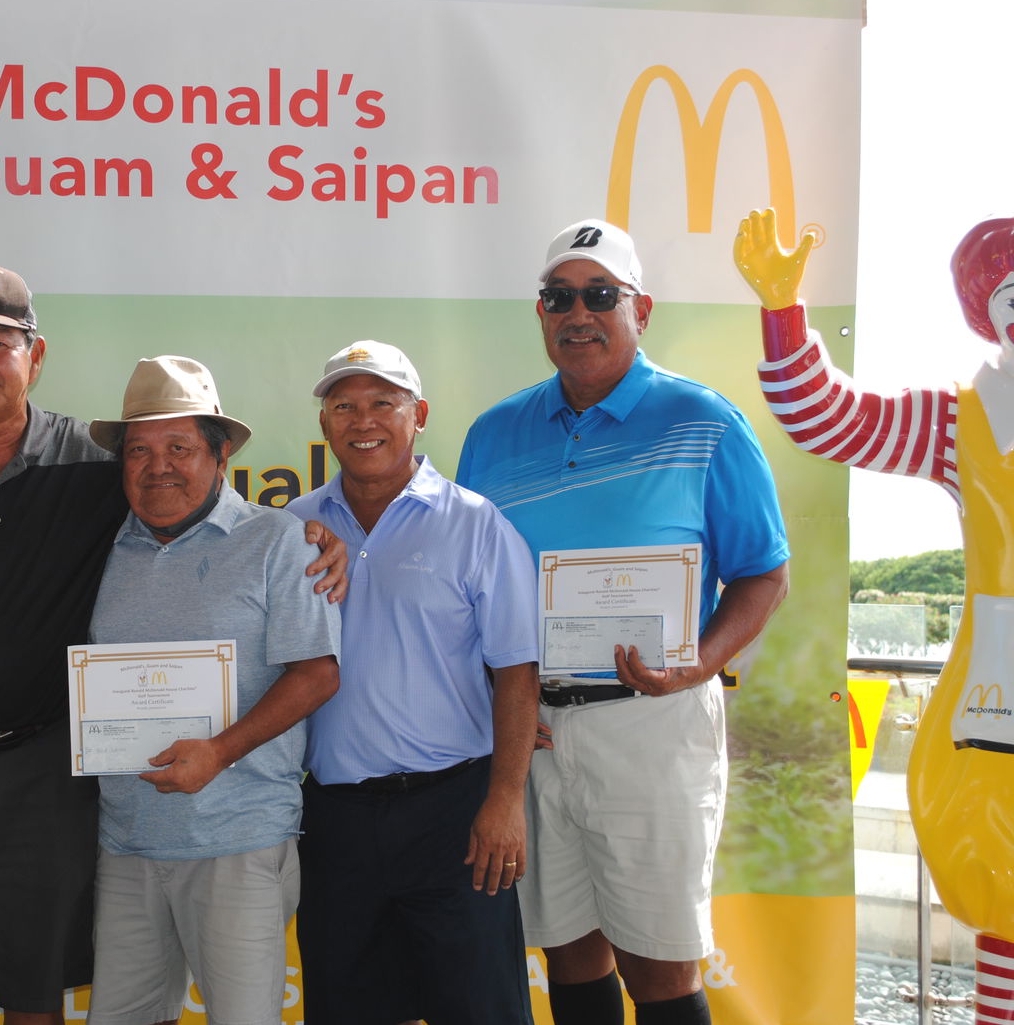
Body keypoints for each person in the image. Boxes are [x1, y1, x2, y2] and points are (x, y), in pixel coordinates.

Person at [0, 266, 345, 1025]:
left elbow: (198, 502)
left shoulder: (96, 468)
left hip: (44, 773)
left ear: (35, 356)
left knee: (36, 995)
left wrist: (310, 531)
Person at [456, 220, 790, 1025]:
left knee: (660, 965)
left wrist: (699, 663)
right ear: (540, 313)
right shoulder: (494, 433)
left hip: (652, 722)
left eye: (600, 294)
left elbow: (764, 574)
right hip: (532, 731)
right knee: (569, 952)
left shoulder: (704, 420)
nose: (579, 312)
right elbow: (459, 576)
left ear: (641, 307)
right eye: (559, 296)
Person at [734, 208, 1014, 994]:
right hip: (1001, 705)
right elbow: (830, 416)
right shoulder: (964, 419)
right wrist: (784, 313)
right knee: (1007, 912)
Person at [286, 340, 539, 1025]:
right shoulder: (289, 530)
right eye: (344, 405)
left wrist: (506, 800)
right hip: (335, 820)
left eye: (382, 402)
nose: (362, 419)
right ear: (325, 423)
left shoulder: (476, 524)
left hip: (455, 817)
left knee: (482, 1009)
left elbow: (518, 672)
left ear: (418, 413)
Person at [83, 355, 341, 1025]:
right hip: (127, 844)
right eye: (138, 450)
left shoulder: (279, 542)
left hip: (238, 841)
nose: (157, 465)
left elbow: (317, 672)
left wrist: (220, 751)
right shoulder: (100, 547)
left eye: (179, 446)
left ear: (220, 453)